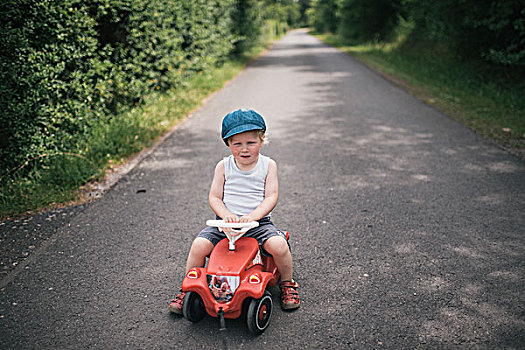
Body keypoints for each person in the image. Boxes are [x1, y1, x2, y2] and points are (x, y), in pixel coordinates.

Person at [169, 108, 300, 313]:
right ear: (228, 144)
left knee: (279, 245)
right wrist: (225, 215)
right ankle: (186, 289)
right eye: (237, 144)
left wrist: (253, 216)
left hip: (258, 223)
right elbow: (214, 197)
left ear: (262, 141)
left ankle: (287, 284)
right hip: (225, 223)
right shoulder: (223, 166)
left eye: (251, 143)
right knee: (199, 245)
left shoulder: (268, 165)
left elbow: (271, 197)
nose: (244, 149)